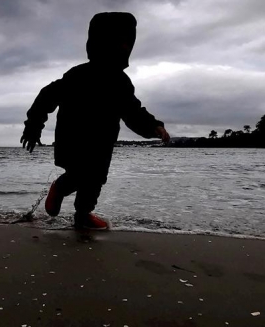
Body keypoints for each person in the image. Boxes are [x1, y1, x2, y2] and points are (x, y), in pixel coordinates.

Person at [20, 12, 170, 230]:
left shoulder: (121, 82)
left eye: (128, 43)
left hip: (102, 141)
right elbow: (46, 97)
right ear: (101, 43)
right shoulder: (77, 75)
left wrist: (154, 126)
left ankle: (82, 215)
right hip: (73, 137)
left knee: (96, 178)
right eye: (121, 43)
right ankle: (59, 189)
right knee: (79, 174)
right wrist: (33, 127)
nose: (126, 48)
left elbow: (132, 111)